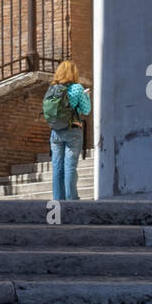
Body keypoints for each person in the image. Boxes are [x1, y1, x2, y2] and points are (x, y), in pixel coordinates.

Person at [42, 60, 91, 201]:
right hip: (72, 131)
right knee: (70, 166)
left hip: (55, 132)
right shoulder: (77, 88)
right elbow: (86, 110)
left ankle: (58, 200)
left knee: (57, 167)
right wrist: (86, 96)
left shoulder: (52, 88)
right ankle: (71, 199)